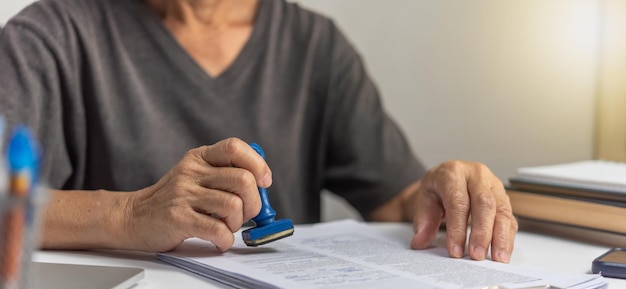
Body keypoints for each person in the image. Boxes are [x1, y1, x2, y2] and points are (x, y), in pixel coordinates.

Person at [0, 0, 517, 262]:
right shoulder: (48, 38)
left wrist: (442, 189)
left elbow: (400, 202)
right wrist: (129, 213)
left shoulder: (314, 45)